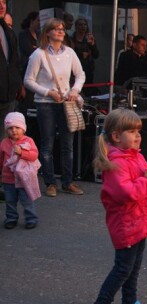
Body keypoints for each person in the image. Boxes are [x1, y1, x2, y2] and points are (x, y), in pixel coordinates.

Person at [92, 108, 147, 304]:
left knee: (133, 269)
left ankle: (130, 300)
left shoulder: (135, 156)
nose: (138, 136)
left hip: (138, 223)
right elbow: (127, 193)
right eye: (131, 132)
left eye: (138, 131)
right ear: (116, 136)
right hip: (127, 225)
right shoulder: (116, 164)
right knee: (122, 269)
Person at [23, 18, 86, 197]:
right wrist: (47, 92)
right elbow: (28, 80)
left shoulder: (70, 53)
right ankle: (50, 182)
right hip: (45, 104)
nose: (60, 32)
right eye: (56, 29)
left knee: (68, 144)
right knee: (47, 144)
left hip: (66, 102)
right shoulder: (38, 54)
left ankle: (68, 181)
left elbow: (80, 74)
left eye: (62, 29)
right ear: (48, 32)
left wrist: (75, 90)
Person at [1, 112, 40, 230]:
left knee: (26, 200)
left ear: (23, 128)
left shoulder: (28, 141)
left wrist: (22, 153)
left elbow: (34, 155)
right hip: (8, 178)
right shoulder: (4, 143)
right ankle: (11, 219)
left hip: (24, 178)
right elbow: (1, 159)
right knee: (10, 201)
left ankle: (31, 219)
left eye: (17, 127)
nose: (14, 130)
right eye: (10, 128)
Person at [0, 0, 25, 139]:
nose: (1, 5)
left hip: (7, 95)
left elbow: (14, 62)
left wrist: (18, 84)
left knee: (5, 141)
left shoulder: (8, 32)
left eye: (3, 1)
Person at [72, 18, 99, 96]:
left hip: (88, 70)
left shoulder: (89, 39)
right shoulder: (72, 39)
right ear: (76, 26)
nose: (83, 26)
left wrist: (93, 45)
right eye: (80, 24)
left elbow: (96, 55)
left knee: (88, 91)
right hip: (76, 70)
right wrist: (81, 55)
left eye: (85, 24)